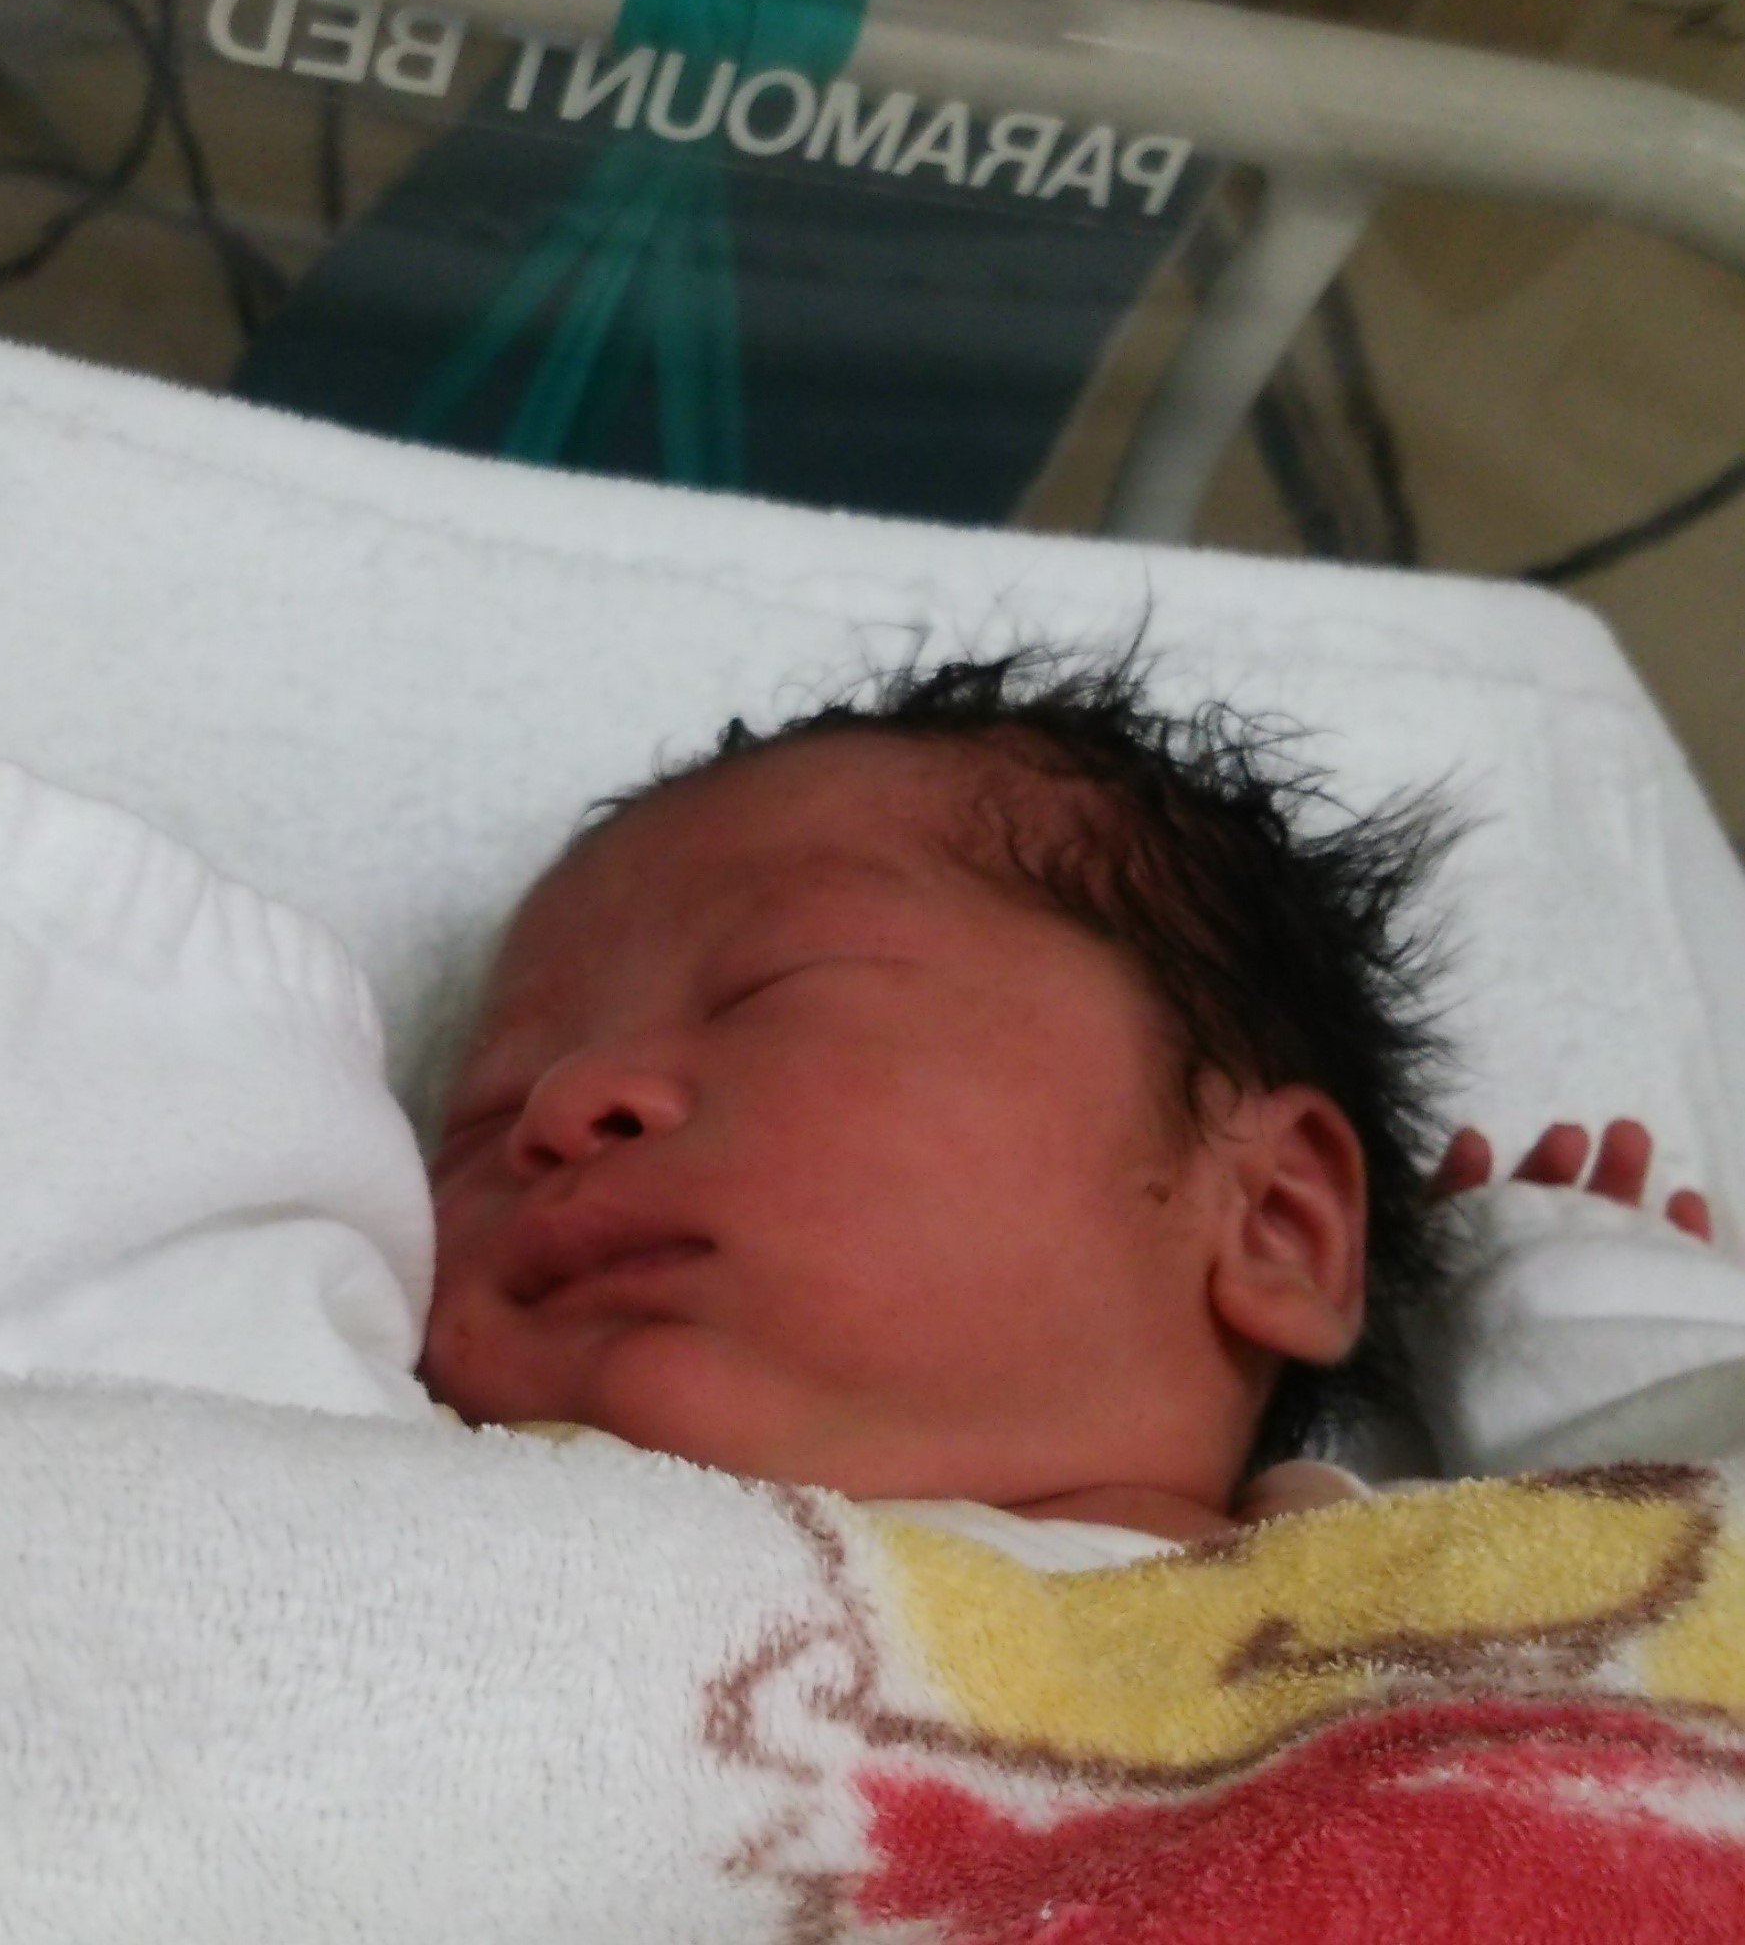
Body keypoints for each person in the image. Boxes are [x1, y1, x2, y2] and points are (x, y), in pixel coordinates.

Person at [423, 649, 1719, 1547]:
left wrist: (1583, 1318)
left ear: (1271, 1221)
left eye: (773, 991)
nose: (560, 1107)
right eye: (482, 1108)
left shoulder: (1457, 1609)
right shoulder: (427, 1505)